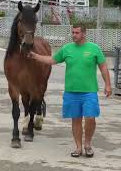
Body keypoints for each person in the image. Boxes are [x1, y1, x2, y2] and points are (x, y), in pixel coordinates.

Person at [29, 23, 112, 158]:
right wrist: (35, 56)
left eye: (76, 33)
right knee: (76, 120)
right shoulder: (67, 49)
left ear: (84, 34)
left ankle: (88, 144)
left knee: (90, 118)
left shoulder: (94, 49)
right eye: (72, 32)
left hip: (89, 91)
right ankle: (79, 148)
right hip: (71, 92)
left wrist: (108, 85)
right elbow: (52, 60)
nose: (73, 35)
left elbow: (103, 67)